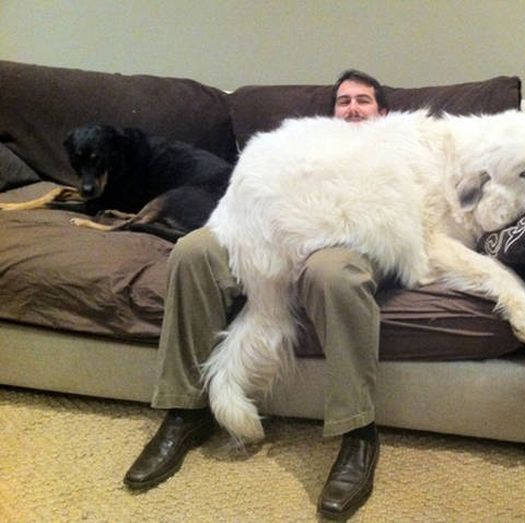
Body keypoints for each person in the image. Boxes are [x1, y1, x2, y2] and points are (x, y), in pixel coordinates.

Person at [124, 69, 390, 519]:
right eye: (343, 101)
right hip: (275, 235)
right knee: (193, 251)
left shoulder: (395, 147)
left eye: (362, 100)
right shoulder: (307, 144)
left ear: (382, 111)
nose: (352, 108)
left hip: (350, 241)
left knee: (331, 274)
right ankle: (185, 410)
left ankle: (358, 431)